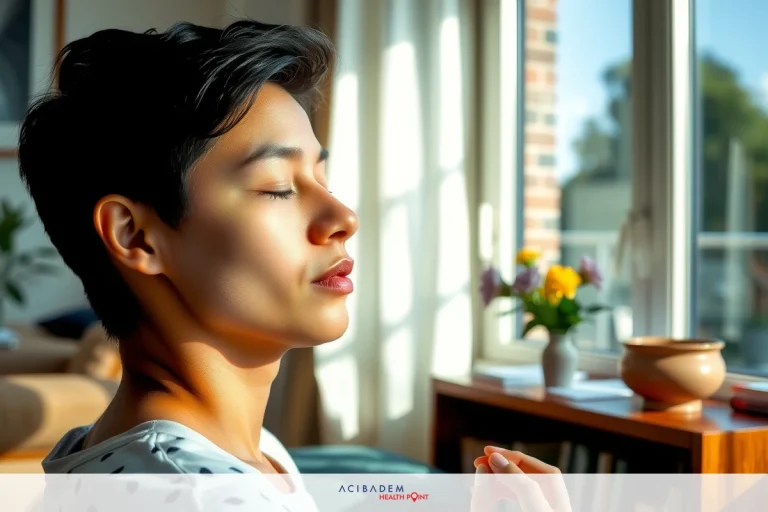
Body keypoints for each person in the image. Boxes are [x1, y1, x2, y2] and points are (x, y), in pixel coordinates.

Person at [18, 18, 561, 510]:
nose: (342, 216)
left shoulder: (239, 455)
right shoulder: (198, 492)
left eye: (321, 179)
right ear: (136, 235)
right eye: (278, 188)